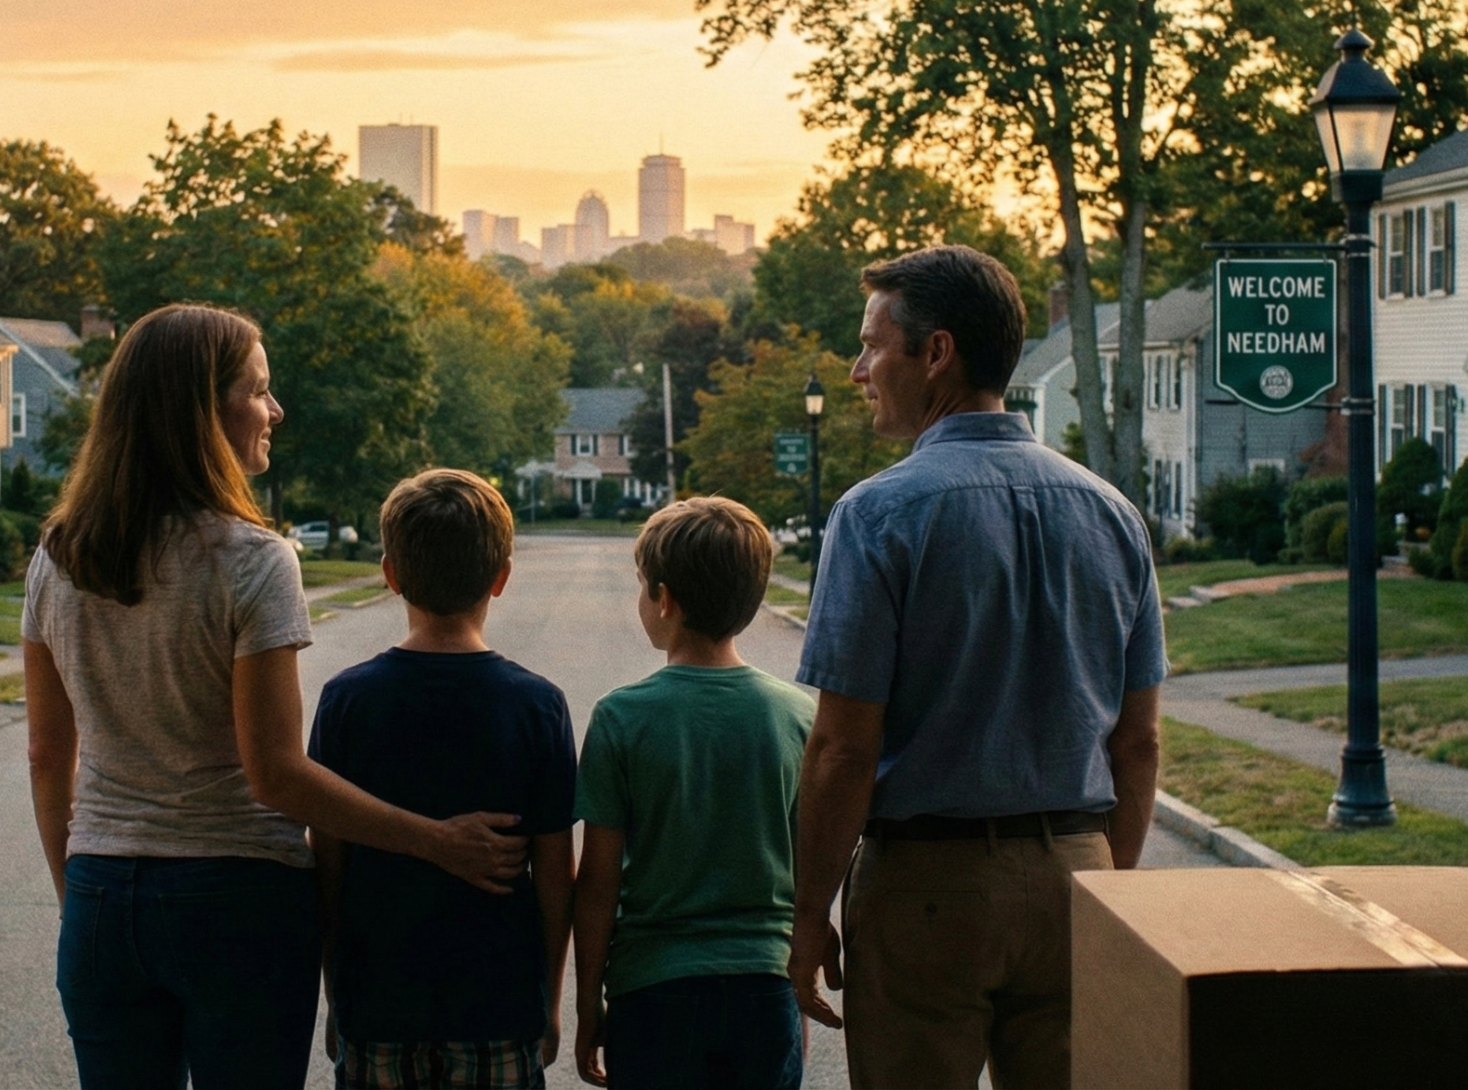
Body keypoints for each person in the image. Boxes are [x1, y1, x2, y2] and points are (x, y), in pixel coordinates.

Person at [23, 305, 524, 1090]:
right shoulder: (253, 561)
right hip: (236, 902)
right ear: (202, 412)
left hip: (101, 894)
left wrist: (80, 892)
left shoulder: (58, 558)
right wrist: (435, 840)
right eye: (259, 390)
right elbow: (276, 775)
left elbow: (49, 753)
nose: (276, 410)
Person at [788, 246, 1165, 1090]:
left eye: (871, 345)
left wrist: (809, 910)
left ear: (936, 352)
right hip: (1077, 869)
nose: (857, 370)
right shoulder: (1113, 514)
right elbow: (1137, 742)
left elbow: (844, 749)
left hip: (928, 887)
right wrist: (1112, 892)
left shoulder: (877, 514)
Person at [308, 469, 577, 1089]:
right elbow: (554, 874)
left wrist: (335, 991)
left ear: (390, 573)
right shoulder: (538, 706)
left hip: (378, 1001)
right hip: (498, 1001)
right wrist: (551, 998)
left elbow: (329, 864)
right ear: (501, 577)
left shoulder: (346, 700)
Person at [573, 497, 816, 1090]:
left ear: (664, 599)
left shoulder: (622, 718)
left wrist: (587, 1007)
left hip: (654, 990)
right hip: (765, 982)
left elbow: (598, 880)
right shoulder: (798, 715)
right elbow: (808, 867)